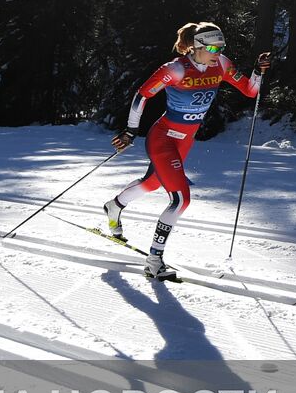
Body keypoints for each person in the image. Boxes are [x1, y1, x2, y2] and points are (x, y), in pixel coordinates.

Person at [104, 22, 270, 280]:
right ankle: (154, 260)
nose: (218, 51)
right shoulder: (176, 69)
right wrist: (130, 131)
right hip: (163, 139)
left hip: (185, 140)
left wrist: (258, 72)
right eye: (213, 47)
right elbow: (141, 95)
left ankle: (114, 206)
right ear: (197, 46)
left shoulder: (221, 65)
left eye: (221, 46)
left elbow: (250, 91)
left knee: (151, 184)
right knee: (181, 199)